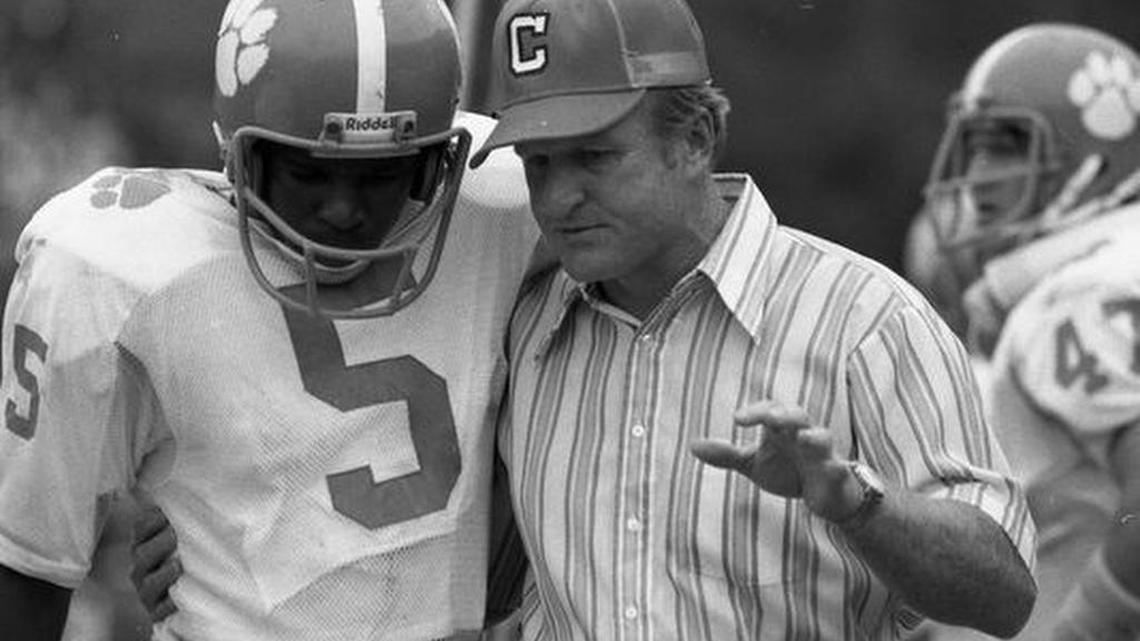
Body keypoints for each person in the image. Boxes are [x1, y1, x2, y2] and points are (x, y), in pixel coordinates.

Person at [466, 0, 1038, 638]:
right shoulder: (524, 319)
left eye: (595, 157)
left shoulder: (867, 318)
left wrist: (858, 504)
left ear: (695, 140)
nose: (555, 197)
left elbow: (1005, 594)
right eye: (537, 162)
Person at [0, 0, 541, 638]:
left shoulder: (514, 201)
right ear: (239, 153)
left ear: (436, 163)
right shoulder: (109, 272)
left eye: (382, 174)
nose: (343, 210)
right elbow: (28, 569)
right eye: (310, 172)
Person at [914, 23, 1140, 641]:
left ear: (1098, 162)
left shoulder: (1082, 296)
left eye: (1010, 145)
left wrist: (1083, 630)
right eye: (977, 146)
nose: (980, 176)